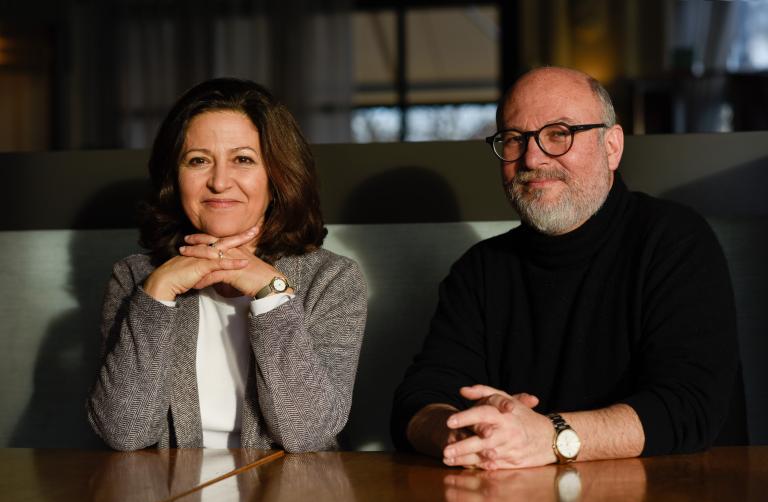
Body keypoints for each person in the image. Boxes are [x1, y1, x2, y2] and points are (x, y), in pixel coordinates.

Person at [391, 66, 742, 469]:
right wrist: (463, 431)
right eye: (513, 139)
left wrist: (551, 436)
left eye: (558, 134)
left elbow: (690, 406)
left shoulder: (674, 240)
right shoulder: (481, 270)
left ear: (611, 146)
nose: (532, 157)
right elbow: (416, 402)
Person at [87, 78, 367, 452]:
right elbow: (125, 433)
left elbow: (308, 435)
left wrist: (272, 296)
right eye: (199, 160)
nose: (219, 182)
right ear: (175, 177)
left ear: (277, 176)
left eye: (243, 159)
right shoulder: (136, 278)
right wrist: (157, 294)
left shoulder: (332, 280)